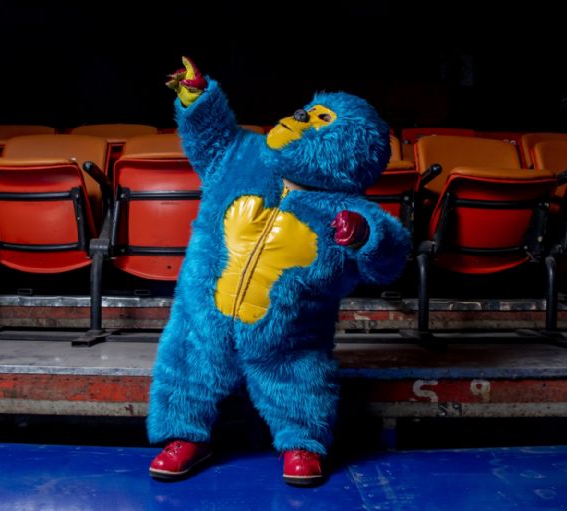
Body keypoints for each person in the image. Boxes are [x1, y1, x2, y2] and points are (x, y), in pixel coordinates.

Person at [147, 57, 410, 486]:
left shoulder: (349, 208)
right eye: (307, 110)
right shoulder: (242, 155)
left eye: (321, 119)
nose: (300, 116)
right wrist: (196, 97)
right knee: (186, 369)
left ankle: (303, 443)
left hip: (289, 334)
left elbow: (390, 259)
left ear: (348, 147)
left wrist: (366, 236)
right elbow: (210, 136)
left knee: (299, 381)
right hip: (203, 314)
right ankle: (184, 436)